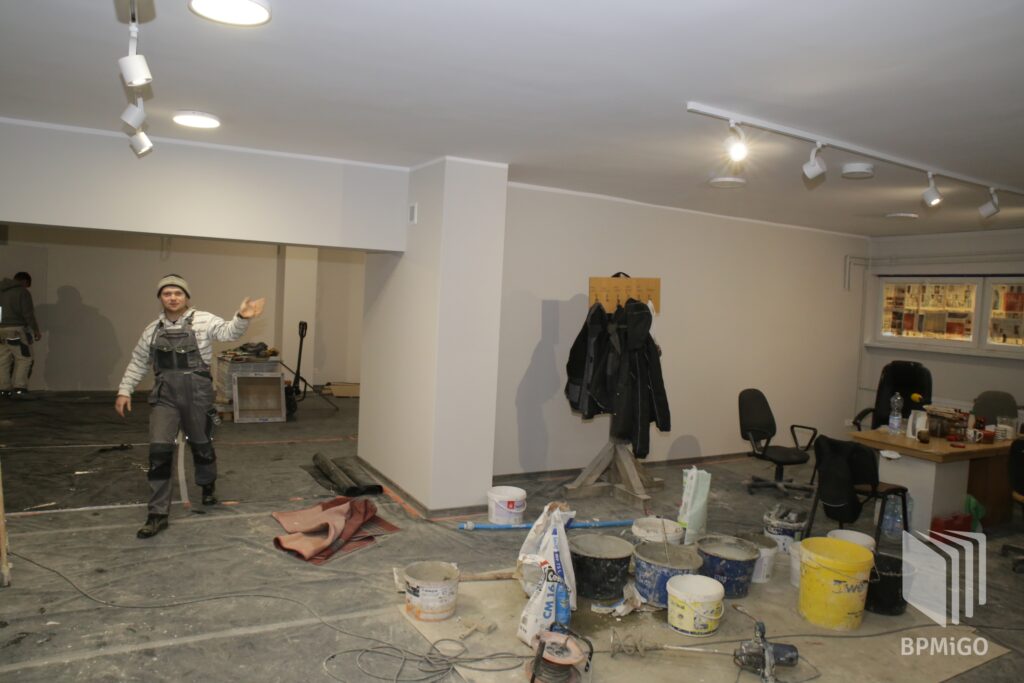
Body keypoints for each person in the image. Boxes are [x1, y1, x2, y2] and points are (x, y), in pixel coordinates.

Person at [115, 274, 265, 538]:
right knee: (159, 452)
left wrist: (242, 317)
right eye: (167, 293)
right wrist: (124, 390)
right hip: (165, 397)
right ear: (160, 298)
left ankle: (207, 485)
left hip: (198, 395)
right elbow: (138, 361)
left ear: (186, 297)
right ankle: (157, 514)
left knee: (202, 444)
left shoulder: (204, 320)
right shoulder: (152, 330)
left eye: (178, 293)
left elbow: (229, 332)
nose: (173, 298)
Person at [0, 271, 41, 398]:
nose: (26, 287)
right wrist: (35, 330)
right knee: (24, 358)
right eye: (27, 285)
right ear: (24, 281)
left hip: (1, 329)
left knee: (3, 359)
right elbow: (28, 313)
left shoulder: (1, 291)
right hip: (17, 329)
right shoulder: (22, 292)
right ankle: (20, 387)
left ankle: (3, 389)